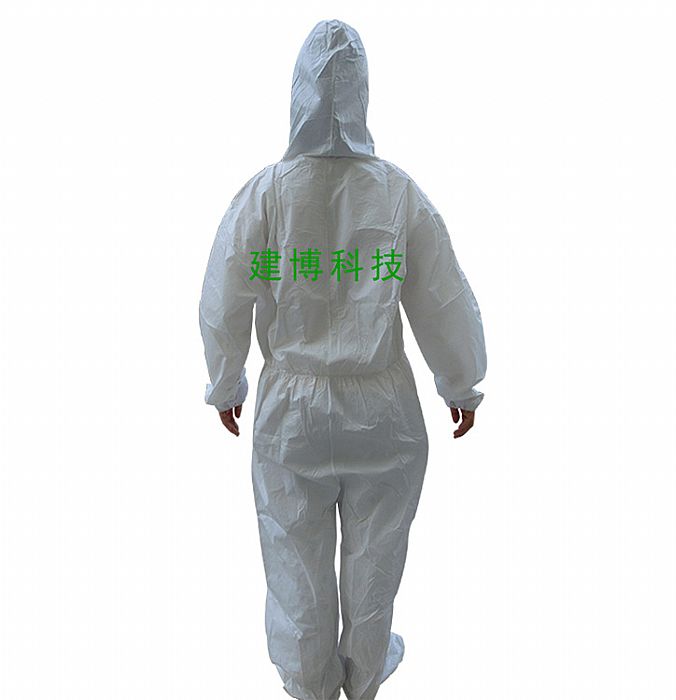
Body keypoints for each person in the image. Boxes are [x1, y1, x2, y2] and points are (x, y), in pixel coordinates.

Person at [199, 18, 487, 700]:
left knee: (293, 555)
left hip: (291, 411)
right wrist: (460, 382)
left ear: (297, 92)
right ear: (363, 96)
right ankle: (364, 673)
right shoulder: (397, 193)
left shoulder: (266, 194)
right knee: (375, 554)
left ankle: (308, 680)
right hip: (380, 408)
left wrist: (226, 381)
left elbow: (223, 294)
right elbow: (442, 296)